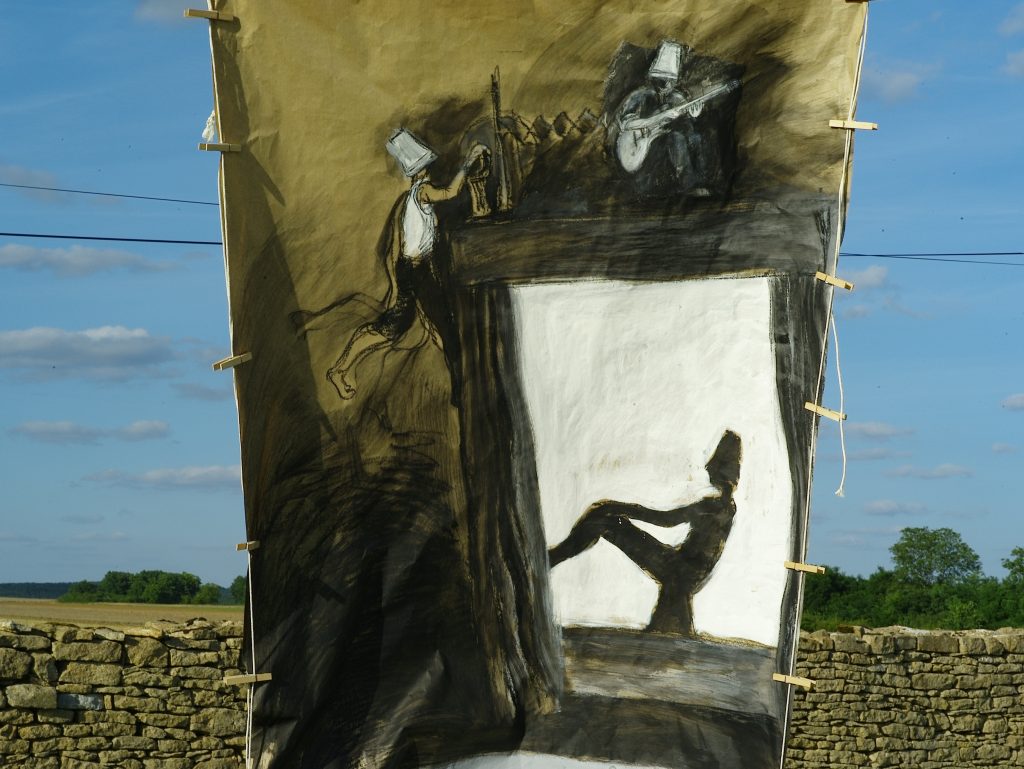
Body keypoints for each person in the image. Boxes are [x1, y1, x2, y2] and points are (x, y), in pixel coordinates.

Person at [326, 130, 488, 400]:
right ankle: (462, 390)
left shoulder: (413, 195)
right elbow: (450, 192)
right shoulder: (423, 190)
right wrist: (468, 162)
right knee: (433, 327)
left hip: (412, 269)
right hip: (416, 271)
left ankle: (460, 387)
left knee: (423, 327)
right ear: (422, 168)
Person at [547, 430, 742, 636]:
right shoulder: (727, 507)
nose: (707, 467)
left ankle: (553, 557)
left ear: (720, 470)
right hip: (683, 570)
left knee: (603, 520)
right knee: (604, 518)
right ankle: (556, 555)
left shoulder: (712, 507)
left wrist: (616, 507)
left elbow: (664, 519)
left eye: (713, 463)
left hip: (678, 569)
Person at [610, 40, 714, 197]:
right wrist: (661, 116)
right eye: (662, 80)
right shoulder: (640, 95)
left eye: (670, 80)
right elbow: (626, 124)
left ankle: (698, 182)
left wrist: (693, 116)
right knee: (676, 138)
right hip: (642, 155)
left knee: (696, 137)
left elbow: (685, 128)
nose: (666, 85)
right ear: (653, 77)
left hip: (665, 152)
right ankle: (688, 185)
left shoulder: (678, 98)